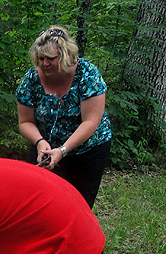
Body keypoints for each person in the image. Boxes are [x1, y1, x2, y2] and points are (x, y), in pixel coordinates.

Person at [16, 26, 112, 208]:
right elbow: (25, 121)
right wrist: (40, 142)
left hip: (88, 149)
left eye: (50, 58)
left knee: (78, 204)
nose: (45, 63)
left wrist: (62, 150)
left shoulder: (87, 74)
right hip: (45, 149)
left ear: (66, 55)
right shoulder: (31, 79)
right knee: (40, 201)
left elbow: (91, 121)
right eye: (41, 58)